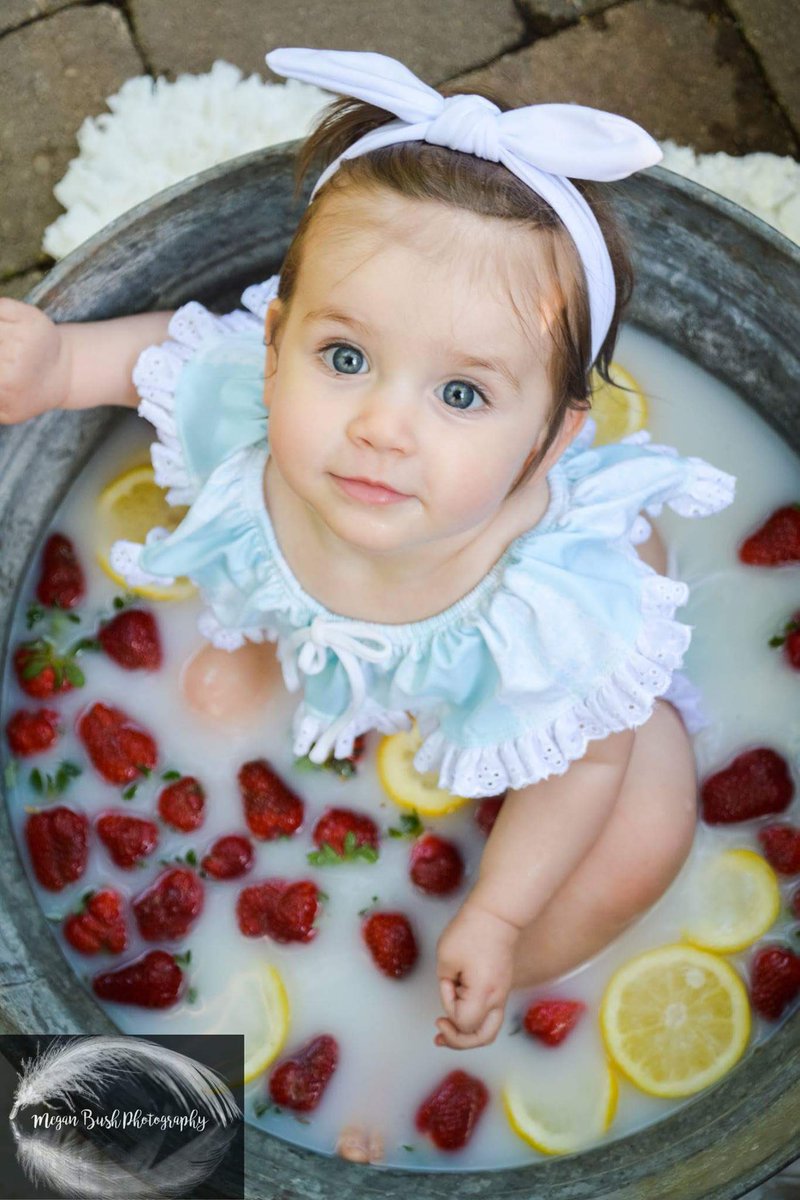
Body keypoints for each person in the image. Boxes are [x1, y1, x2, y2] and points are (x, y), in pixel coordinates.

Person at [0, 47, 735, 1163]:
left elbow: (582, 760)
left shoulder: (557, 597)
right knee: (206, 692)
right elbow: (163, 357)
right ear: (276, 343)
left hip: (568, 723)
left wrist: (495, 915)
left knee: (637, 834)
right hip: (355, 652)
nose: (383, 428)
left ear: (552, 439)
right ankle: (135, 1140)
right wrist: (53, 364)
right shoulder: (252, 413)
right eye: (343, 355)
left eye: (458, 393)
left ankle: (436, 1022)